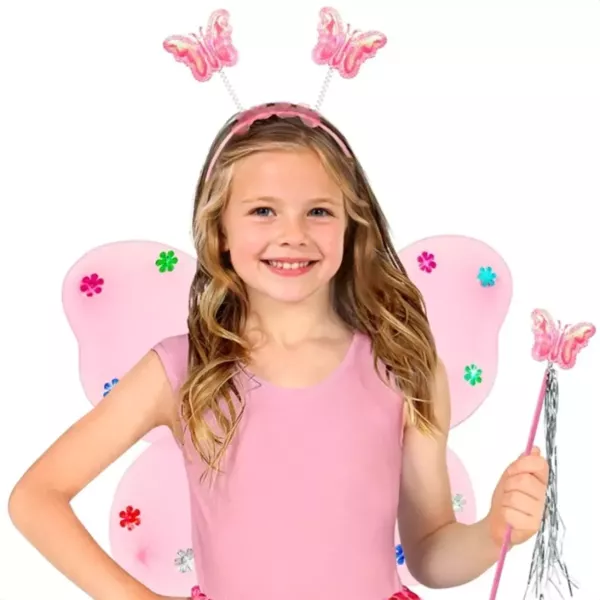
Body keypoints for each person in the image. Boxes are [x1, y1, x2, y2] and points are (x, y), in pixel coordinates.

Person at [8, 102, 549, 600]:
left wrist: (493, 531)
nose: (293, 235)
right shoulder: (180, 371)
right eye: (263, 210)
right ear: (219, 230)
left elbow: (430, 552)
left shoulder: (403, 366)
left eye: (319, 211)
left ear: (351, 225)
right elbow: (36, 497)